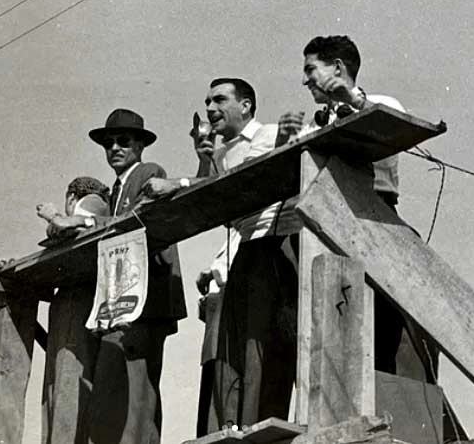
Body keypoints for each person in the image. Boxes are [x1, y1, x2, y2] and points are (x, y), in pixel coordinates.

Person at [275, 35, 438, 382]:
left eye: (310, 69)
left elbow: (394, 125)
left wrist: (352, 100)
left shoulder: (380, 102)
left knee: (393, 327)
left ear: (337, 68)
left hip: (376, 220)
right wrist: (285, 145)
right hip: (324, 232)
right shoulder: (313, 121)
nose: (305, 80)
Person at [143, 78, 299, 431]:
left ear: (245, 105)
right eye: (207, 102)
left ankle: (263, 423)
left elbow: (241, 184)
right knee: (236, 346)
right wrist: (205, 160)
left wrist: (178, 183)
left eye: (219, 100)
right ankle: (239, 424)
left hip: (276, 242)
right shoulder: (221, 150)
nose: (211, 109)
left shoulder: (268, 134)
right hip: (246, 247)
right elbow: (214, 198)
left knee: (265, 345)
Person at [86, 108, 187, 444]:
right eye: (109, 142)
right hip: (124, 301)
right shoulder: (114, 191)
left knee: (138, 390)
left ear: (140, 144)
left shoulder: (147, 172)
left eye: (123, 140)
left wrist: (85, 224)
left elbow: (139, 221)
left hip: (146, 299)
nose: (114, 147)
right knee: (121, 390)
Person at [37, 177, 110, 444]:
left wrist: (53, 217)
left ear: (71, 197)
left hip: (77, 300)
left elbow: (74, 228)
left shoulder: (91, 202)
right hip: (75, 302)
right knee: (64, 387)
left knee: (67, 389)